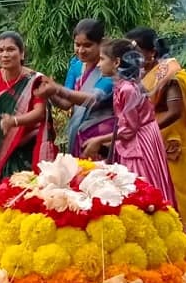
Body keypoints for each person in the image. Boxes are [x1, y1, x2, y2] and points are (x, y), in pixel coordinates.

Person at [73, 39, 176, 202]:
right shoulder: (122, 85)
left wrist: (99, 139)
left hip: (139, 143)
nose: (98, 65)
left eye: (102, 59)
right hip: (141, 136)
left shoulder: (127, 89)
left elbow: (129, 129)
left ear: (116, 62)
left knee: (138, 187)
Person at [126, 27, 186, 236]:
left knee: (178, 193)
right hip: (151, 145)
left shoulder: (170, 75)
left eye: (136, 52)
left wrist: (143, 130)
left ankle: (185, 242)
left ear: (151, 53)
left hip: (172, 144)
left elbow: (175, 111)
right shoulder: (139, 77)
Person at [0, 31, 55, 184]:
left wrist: (14, 121)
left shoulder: (35, 80)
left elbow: (39, 113)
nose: (5, 54)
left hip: (29, 149)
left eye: (10, 49)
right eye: (0, 50)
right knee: (0, 192)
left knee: (29, 191)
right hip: (0, 147)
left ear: (22, 53)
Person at [34, 19, 115, 157]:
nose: (81, 50)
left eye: (87, 45)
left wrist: (57, 89)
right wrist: (49, 92)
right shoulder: (76, 65)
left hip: (101, 139)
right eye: (77, 45)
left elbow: (93, 99)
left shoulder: (108, 68)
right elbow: (66, 103)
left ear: (101, 43)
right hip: (78, 134)